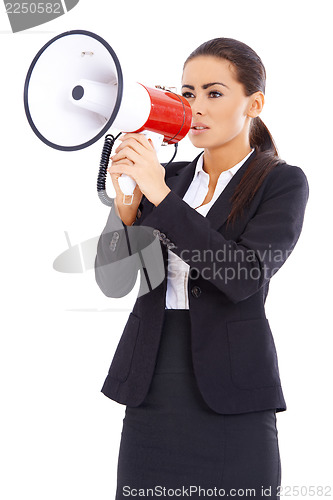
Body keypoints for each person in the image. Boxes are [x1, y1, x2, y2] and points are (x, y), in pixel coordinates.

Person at [95, 37, 309, 499]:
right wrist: (126, 203)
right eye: (188, 93)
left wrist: (162, 198)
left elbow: (242, 276)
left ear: (255, 103)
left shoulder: (281, 182)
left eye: (214, 93)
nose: (196, 107)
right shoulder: (167, 179)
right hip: (151, 389)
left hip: (232, 397)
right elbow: (112, 282)